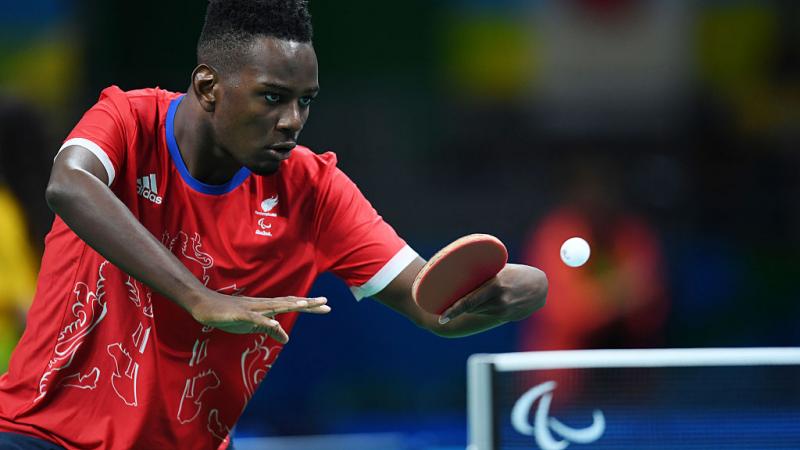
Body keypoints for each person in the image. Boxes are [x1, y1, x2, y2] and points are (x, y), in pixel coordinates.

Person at [0, 1, 548, 449]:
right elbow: (69, 185)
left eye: (304, 102)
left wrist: (514, 292)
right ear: (209, 86)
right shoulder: (128, 120)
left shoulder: (313, 191)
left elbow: (432, 306)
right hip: (39, 434)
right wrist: (199, 297)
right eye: (272, 97)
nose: (292, 121)